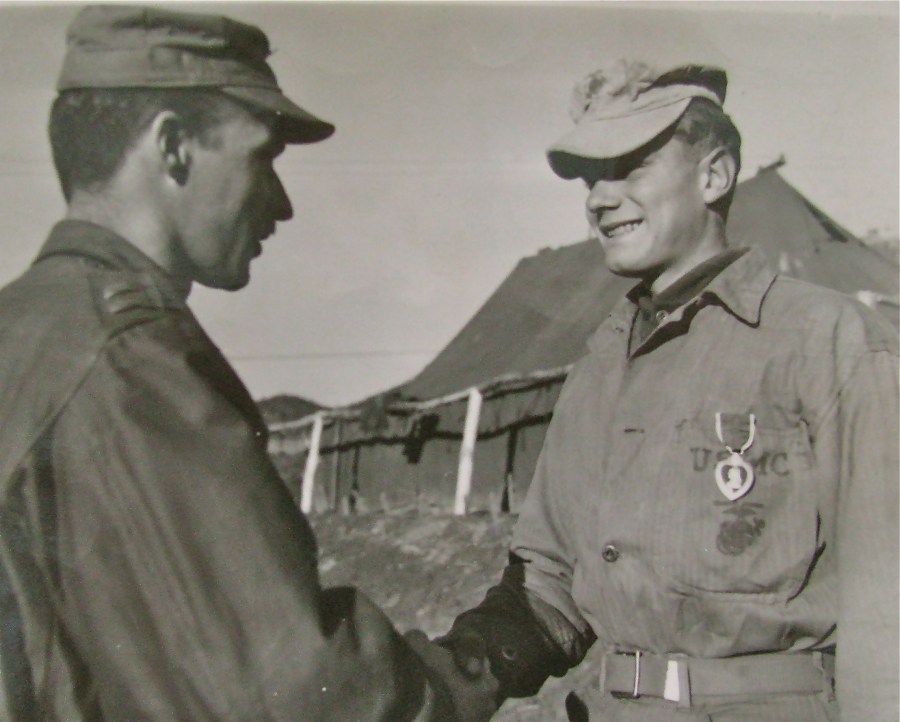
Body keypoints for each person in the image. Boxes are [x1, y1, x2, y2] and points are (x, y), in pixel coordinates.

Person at [0, 6, 460, 721]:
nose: (282, 203)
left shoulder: (24, 325)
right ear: (174, 146)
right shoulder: (128, 360)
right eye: (262, 157)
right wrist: (460, 682)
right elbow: (303, 698)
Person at [408, 60, 899, 721]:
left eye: (628, 167)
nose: (597, 199)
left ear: (715, 175)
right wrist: (435, 686)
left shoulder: (826, 340)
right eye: (589, 180)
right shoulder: (600, 366)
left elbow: (888, 608)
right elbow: (549, 588)